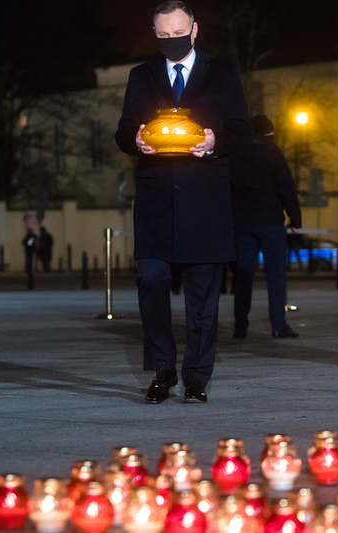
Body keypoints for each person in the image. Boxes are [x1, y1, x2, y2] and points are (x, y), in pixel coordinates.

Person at [114, 1, 253, 403]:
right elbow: (123, 130)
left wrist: (214, 142)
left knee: (203, 296)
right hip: (156, 200)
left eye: (178, 33)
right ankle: (162, 371)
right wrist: (134, 140)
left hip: (205, 200)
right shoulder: (141, 75)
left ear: (194, 30)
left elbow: (241, 131)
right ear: (155, 34)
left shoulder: (222, 73)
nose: (171, 41)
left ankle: (196, 378)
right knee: (151, 280)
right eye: (163, 35)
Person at [231, 114, 302, 339]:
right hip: (271, 222)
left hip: (243, 223)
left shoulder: (236, 155)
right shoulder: (274, 154)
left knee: (244, 276)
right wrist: (296, 219)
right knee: (276, 275)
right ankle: (278, 325)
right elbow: (287, 187)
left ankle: (240, 325)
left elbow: (228, 189)